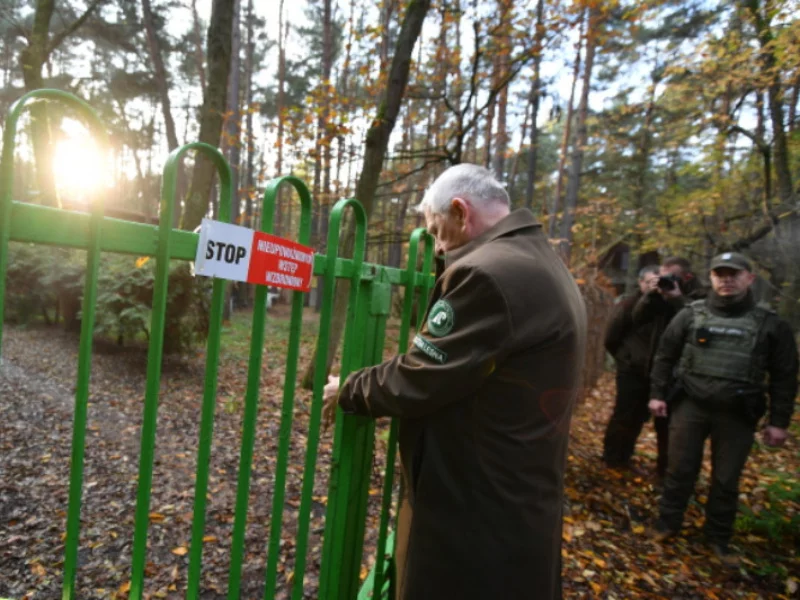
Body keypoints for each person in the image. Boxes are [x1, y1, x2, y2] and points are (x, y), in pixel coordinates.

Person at [322, 163, 587, 600]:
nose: (438, 247)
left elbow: (423, 375)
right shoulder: (539, 260)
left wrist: (350, 388)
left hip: (475, 501)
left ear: (461, 213)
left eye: (436, 230)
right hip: (516, 484)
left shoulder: (488, 272)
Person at [648, 252, 798, 562]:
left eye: (734, 274)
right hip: (691, 404)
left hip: (738, 411)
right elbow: (665, 355)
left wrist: (778, 421)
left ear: (749, 279)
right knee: (679, 470)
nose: (726, 279)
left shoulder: (770, 324)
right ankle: (666, 525)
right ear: (712, 278)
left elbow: (785, 376)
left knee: (726, 478)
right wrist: (658, 394)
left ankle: (717, 540)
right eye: (720, 274)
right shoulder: (691, 314)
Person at [631, 256, 706, 479]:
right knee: (662, 427)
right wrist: (651, 295)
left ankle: (680, 476)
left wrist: (677, 299)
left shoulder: (701, 296)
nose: (666, 280)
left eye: (672, 276)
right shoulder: (658, 296)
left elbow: (698, 322)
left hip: (688, 374)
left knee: (685, 432)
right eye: (663, 276)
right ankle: (663, 473)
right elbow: (637, 318)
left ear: (687, 277)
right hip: (661, 371)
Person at [602, 265, 660, 470]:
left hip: (652, 372)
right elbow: (611, 337)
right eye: (649, 282)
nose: (654, 286)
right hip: (631, 370)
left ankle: (625, 455)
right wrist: (625, 359)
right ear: (640, 283)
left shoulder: (664, 306)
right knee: (624, 413)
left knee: (638, 417)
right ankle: (611, 456)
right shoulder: (629, 304)